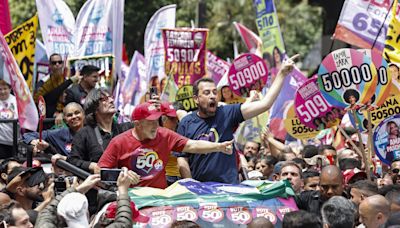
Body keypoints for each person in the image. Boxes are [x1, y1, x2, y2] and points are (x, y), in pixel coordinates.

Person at [176, 55, 298, 184]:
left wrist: (282, 74)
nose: (212, 96)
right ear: (196, 99)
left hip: (229, 189)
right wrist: (191, 185)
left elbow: (265, 104)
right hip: (201, 191)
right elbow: (182, 159)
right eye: (207, 93)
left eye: (214, 92)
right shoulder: (186, 123)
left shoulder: (227, 112)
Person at [98, 102, 235, 189]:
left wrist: (219, 147)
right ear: (137, 124)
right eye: (150, 122)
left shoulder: (165, 135)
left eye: (156, 121)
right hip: (133, 199)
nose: (155, 126)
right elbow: (99, 171)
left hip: (160, 198)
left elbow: (192, 145)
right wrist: (122, 174)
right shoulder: (119, 142)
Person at [67, 88, 133, 173]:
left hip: (128, 181)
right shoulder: (84, 133)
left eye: (111, 97)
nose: (111, 100)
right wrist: (92, 165)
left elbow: (148, 125)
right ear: (94, 107)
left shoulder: (126, 128)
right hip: (100, 183)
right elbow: (72, 160)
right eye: (105, 99)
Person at [34, 53, 81, 121]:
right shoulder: (44, 82)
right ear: (50, 65)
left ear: (62, 64)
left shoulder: (67, 80)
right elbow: (45, 99)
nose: (57, 64)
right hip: (49, 119)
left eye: (60, 62)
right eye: (54, 63)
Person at [0, 80, 18, 158]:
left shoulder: (17, 101)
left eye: (5, 88)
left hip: (14, 141)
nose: (2, 91)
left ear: (10, 89)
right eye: (0, 89)